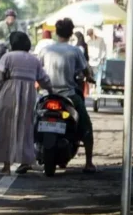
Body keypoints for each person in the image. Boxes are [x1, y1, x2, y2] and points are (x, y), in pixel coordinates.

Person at [0, 32, 53, 175]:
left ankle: (6, 167)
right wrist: (51, 91)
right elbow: (44, 79)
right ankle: (25, 161)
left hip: (8, 93)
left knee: (5, 128)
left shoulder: (7, 57)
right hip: (29, 96)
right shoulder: (33, 60)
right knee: (25, 127)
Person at [38, 18, 96, 174]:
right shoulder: (75, 51)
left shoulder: (46, 50)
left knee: (32, 119)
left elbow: (38, 69)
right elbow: (85, 70)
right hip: (69, 95)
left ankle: (25, 160)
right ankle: (89, 163)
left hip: (46, 95)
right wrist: (90, 77)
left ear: (56, 32)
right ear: (71, 33)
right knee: (86, 127)